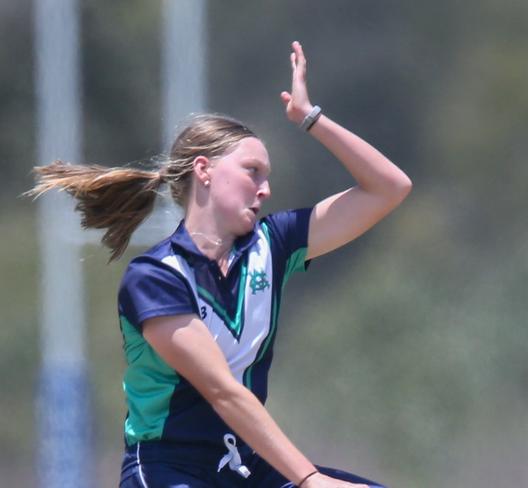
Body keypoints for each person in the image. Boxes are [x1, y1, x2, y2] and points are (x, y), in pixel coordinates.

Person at [29, 41, 411, 488]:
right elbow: (222, 391)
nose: (265, 188)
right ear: (205, 170)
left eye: (267, 176)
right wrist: (310, 480)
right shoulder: (155, 277)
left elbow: (390, 189)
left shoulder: (276, 244)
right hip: (170, 468)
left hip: (246, 465)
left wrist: (310, 118)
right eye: (253, 171)